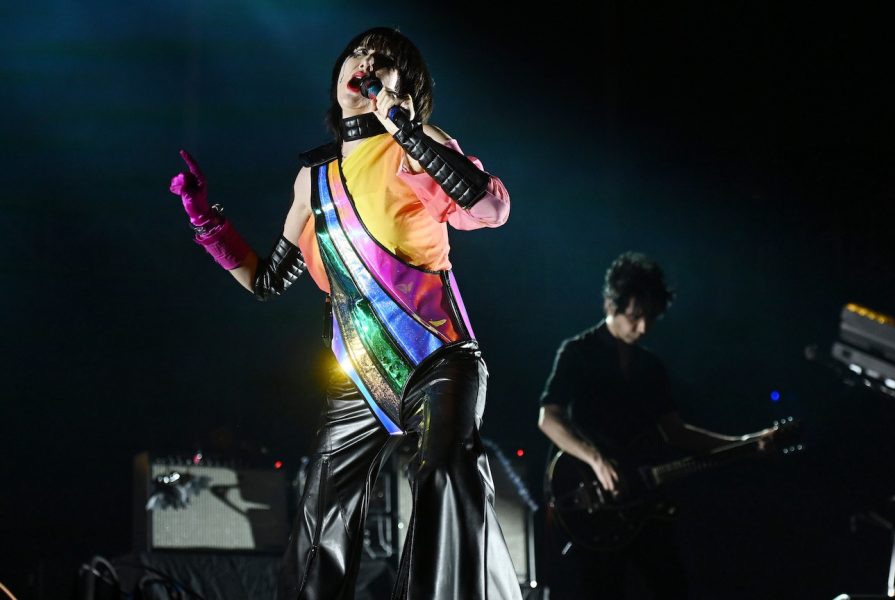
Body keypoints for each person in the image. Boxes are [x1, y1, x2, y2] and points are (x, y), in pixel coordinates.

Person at [168, 27, 521, 600]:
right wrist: (206, 221)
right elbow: (266, 280)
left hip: (440, 358)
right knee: (322, 508)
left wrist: (405, 129)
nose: (366, 62)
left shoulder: (417, 142)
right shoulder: (314, 179)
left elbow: (489, 208)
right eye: (357, 54)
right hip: (363, 380)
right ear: (338, 75)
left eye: (383, 60)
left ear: (402, 86)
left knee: (444, 475)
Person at [537, 252, 774, 600]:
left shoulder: (651, 367)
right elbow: (549, 418)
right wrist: (598, 461)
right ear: (610, 304)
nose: (643, 327)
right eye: (635, 317)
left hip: (644, 503)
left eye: (650, 317)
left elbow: (677, 433)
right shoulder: (577, 352)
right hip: (591, 503)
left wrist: (748, 442)